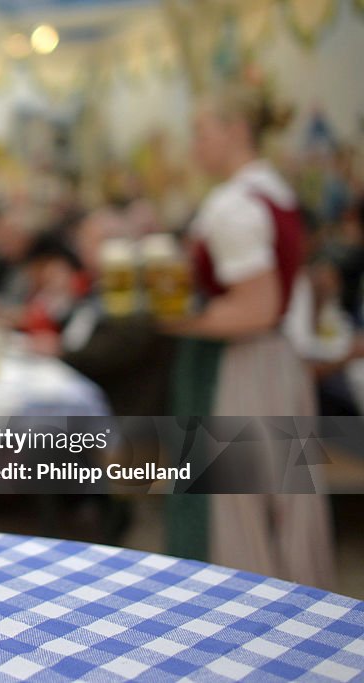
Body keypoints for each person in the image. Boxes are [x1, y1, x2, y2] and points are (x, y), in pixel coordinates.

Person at [165, 83, 334, 588]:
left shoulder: (235, 203)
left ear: (236, 130)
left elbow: (256, 308)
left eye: (201, 132)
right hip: (274, 362)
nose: (194, 145)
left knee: (235, 505)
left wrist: (173, 319)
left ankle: (242, 616)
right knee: (280, 498)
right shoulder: (273, 191)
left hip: (241, 366)